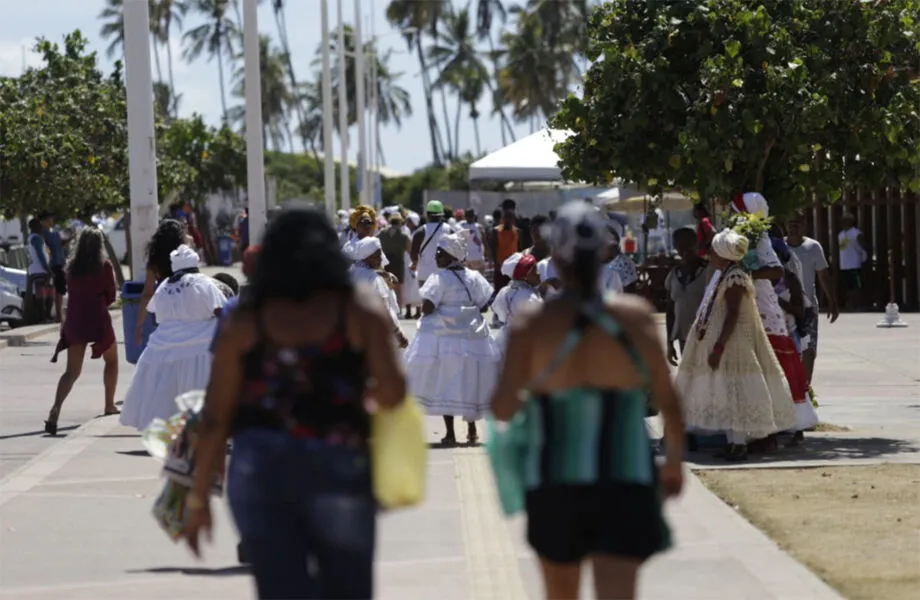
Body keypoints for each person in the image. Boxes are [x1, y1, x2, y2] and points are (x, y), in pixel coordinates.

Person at [184, 207, 406, 599]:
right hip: (339, 465)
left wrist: (198, 495)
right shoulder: (360, 311)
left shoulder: (245, 321)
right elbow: (394, 394)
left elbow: (217, 417)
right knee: (348, 588)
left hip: (261, 469)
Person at [489, 201, 684, 600]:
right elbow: (669, 399)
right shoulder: (635, 317)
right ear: (602, 254)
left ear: (553, 258)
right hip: (625, 474)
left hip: (555, 477)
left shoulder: (532, 324)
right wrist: (674, 464)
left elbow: (502, 406)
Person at [675, 229, 797, 461]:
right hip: (726, 342)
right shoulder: (726, 274)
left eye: (713, 251)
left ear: (723, 253)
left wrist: (719, 347)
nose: (709, 254)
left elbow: (732, 315)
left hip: (733, 344)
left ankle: (739, 444)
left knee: (735, 392)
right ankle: (734, 443)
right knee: (729, 393)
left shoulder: (735, 278)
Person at [404, 230, 499, 446]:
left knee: (447, 381)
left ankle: (450, 433)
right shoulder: (474, 276)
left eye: (440, 253)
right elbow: (484, 305)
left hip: (445, 339)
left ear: (451, 256)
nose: (436, 257)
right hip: (473, 337)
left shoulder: (439, 278)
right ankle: (472, 430)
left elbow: (428, 307)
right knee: (469, 380)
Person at [120, 244, 226, 432]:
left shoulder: (166, 286)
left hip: (163, 347)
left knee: (165, 395)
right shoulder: (203, 282)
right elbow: (221, 311)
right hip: (200, 346)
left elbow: (155, 315)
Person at [45, 228, 120, 435]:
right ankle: (109, 404)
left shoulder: (72, 268)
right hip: (97, 320)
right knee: (112, 360)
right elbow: (111, 295)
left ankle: (56, 409)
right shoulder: (104, 266)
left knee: (71, 372)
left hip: (75, 320)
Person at [785, 212, 839, 383]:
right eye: (790, 223)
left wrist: (832, 302)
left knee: (809, 350)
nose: (793, 227)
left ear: (804, 225)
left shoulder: (813, 247)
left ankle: (806, 390)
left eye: (797, 224)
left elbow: (823, 276)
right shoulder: (779, 248)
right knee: (789, 350)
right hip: (784, 308)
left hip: (807, 308)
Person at [134, 220, 191, 345]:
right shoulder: (185, 256)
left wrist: (139, 325)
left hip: (163, 309)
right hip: (185, 308)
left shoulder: (155, 260)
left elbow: (148, 294)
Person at [351, 237, 409, 348]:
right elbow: (383, 308)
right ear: (366, 257)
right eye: (376, 256)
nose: (380, 259)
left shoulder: (351, 272)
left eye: (380, 255)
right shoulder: (372, 277)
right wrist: (398, 333)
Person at [665, 227, 709, 365]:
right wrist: (669, 342)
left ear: (697, 245)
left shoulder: (710, 271)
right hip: (684, 337)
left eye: (689, 245)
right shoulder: (674, 275)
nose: (685, 250)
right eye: (680, 246)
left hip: (707, 336)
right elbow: (670, 310)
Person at [492, 252, 542, 354]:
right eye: (534, 270)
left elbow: (498, 311)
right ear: (525, 276)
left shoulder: (504, 291)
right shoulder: (530, 297)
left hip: (504, 339)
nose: (539, 273)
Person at [410, 200, 452, 287]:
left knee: (425, 299)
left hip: (425, 275)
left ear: (427, 214)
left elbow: (413, 254)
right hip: (444, 275)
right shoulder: (450, 230)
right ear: (441, 215)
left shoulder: (420, 232)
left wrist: (416, 263)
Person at [378, 212, 410, 307]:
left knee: (384, 286)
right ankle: (398, 308)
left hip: (384, 263)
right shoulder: (403, 236)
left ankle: (386, 307)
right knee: (398, 288)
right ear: (400, 222)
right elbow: (410, 249)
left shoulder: (382, 233)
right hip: (398, 263)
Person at [39, 212, 67, 322]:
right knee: (53, 290)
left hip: (59, 262)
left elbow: (59, 245)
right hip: (52, 264)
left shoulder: (54, 232)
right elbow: (46, 249)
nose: (52, 220)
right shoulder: (43, 233)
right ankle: (54, 315)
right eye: (50, 219)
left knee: (59, 289)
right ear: (45, 220)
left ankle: (58, 314)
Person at [836, 213, 866, 311]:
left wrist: (864, 254)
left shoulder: (856, 233)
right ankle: (850, 304)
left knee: (857, 286)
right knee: (848, 287)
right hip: (844, 264)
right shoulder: (840, 234)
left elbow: (862, 245)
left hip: (854, 264)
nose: (843, 223)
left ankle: (858, 305)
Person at [459, 208, 490, 274]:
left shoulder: (461, 226)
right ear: (474, 216)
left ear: (465, 216)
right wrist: (488, 255)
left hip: (466, 259)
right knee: (480, 279)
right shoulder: (479, 227)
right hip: (478, 258)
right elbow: (485, 242)